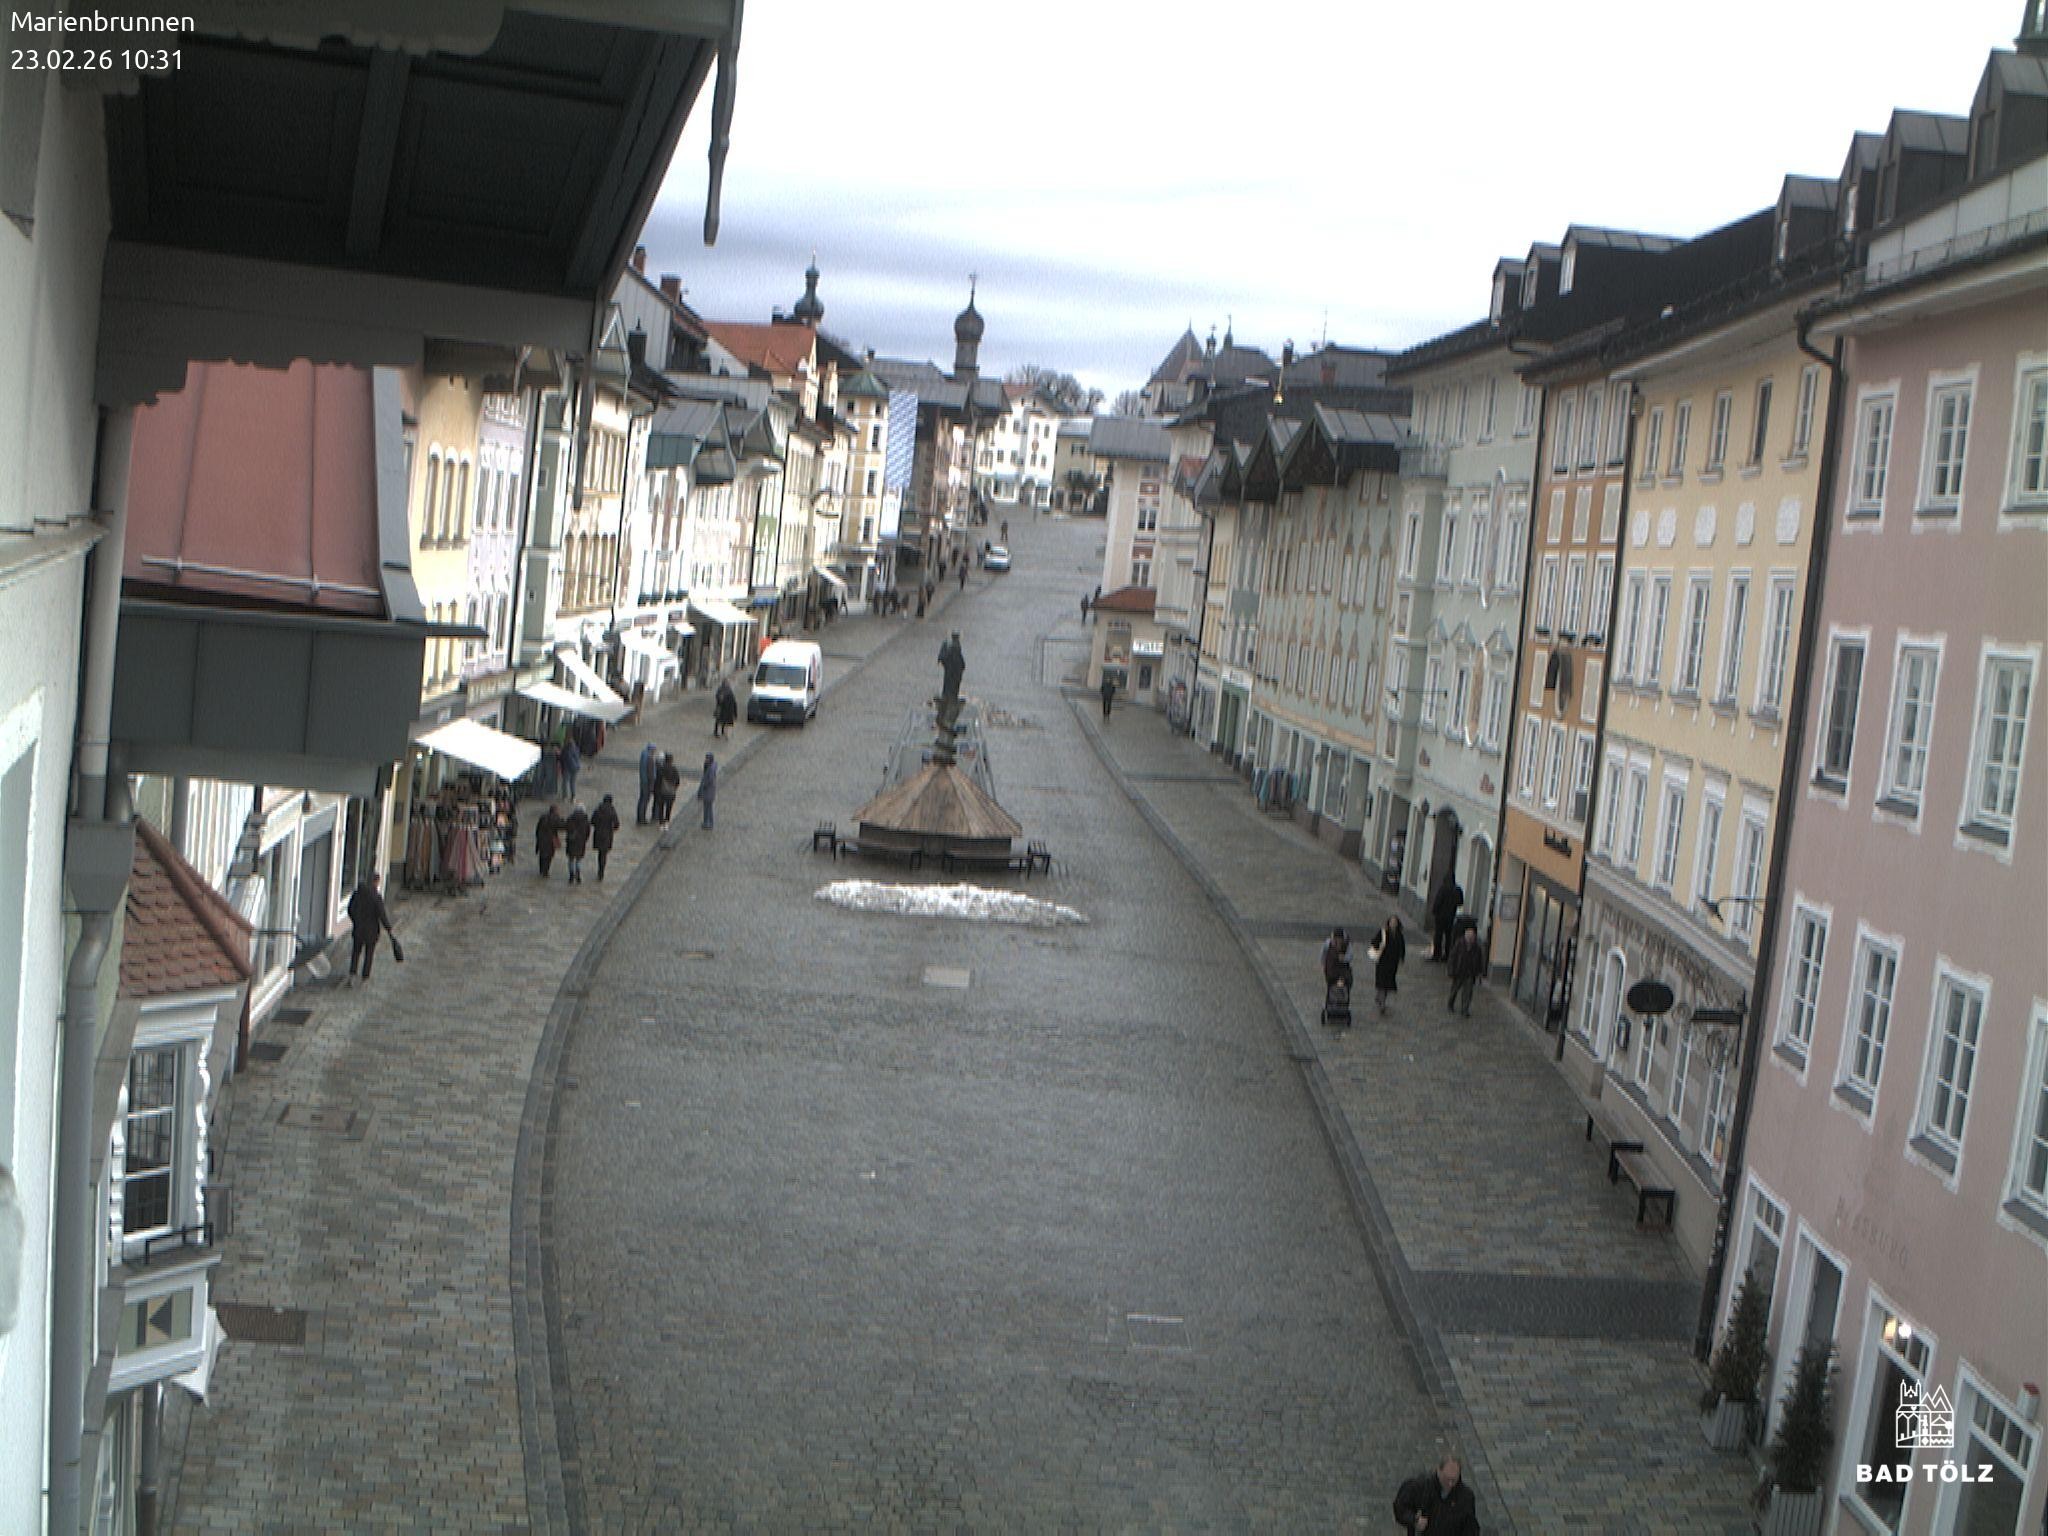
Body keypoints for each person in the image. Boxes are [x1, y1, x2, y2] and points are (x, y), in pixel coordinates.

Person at [1392, 1455, 1480, 1536]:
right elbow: (1400, 1508)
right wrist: (1414, 1520)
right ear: (1438, 1470)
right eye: (1447, 1478)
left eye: (1454, 1480)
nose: (1450, 1484)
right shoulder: (1419, 1486)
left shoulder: (1466, 1496)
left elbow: (1470, 1526)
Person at [344, 873, 395, 984]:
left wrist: (355, 920)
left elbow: (350, 909)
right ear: (376, 882)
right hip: (371, 931)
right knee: (369, 953)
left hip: (358, 929)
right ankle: (365, 976)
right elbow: (382, 915)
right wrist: (388, 928)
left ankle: (352, 975)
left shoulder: (357, 893)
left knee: (356, 952)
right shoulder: (376, 897)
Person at [1372, 915, 1407, 1015]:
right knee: (1382, 981)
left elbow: (1402, 947)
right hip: (1382, 961)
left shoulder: (1399, 935)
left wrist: (1401, 958)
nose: (1393, 924)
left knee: (1388, 982)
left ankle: (1381, 997)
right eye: (1392, 922)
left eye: (1395, 922)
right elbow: (1374, 942)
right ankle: (1382, 1002)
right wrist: (1379, 947)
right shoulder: (1383, 933)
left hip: (1392, 963)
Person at [1448, 924, 1485, 1016]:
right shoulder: (1459, 944)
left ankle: (1465, 1010)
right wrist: (1451, 970)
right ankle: (1450, 1004)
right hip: (1459, 971)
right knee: (1454, 990)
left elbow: (1479, 961)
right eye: (1469, 937)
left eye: (1472, 937)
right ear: (1465, 936)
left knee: (1468, 993)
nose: (1471, 939)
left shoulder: (1477, 948)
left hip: (1470, 973)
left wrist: (1480, 973)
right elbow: (1452, 957)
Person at [1429, 876, 1464, 962]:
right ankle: (1447, 955)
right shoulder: (1457, 889)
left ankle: (1437, 954)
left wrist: (1434, 911)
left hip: (1440, 916)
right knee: (1449, 937)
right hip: (1451, 917)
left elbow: (1438, 901)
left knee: (1438, 936)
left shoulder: (1443, 889)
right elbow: (1460, 902)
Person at [590, 793, 620, 880]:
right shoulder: (612, 811)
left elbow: (592, 821)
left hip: (598, 833)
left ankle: (600, 869)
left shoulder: (598, 809)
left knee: (600, 853)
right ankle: (601, 870)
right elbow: (616, 824)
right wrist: (612, 829)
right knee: (604, 853)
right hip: (607, 835)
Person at [535, 803, 565, 878]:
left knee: (542, 855)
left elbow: (538, 828)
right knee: (549, 856)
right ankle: (546, 871)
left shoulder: (543, 817)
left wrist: (538, 837)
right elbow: (561, 826)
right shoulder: (555, 818)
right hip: (550, 840)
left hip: (541, 839)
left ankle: (542, 869)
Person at [564, 802, 591, 884]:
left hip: (571, 841)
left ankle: (571, 875)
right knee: (578, 859)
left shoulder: (570, 818)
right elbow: (588, 832)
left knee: (571, 859)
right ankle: (578, 873)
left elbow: (567, 828)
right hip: (580, 842)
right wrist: (585, 839)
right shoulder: (586, 820)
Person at [1320, 927, 1354, 993]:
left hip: (1342, 969)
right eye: (1335, 939)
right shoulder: (1328, 943)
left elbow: (1350, 956)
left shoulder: (1347, 944)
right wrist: (1323, 964)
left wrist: (1344, 958)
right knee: (1331, 985)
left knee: (1342, 984)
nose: (1337, 941)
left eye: (1339, 939)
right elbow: (1323, 954)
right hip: (1331, 967)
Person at [636, 740, 658, 825]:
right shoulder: (650, 759)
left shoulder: (644, 755)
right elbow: (651, 774)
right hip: (647, 783)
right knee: (645, 800)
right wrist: (652, 786)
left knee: (641, 799)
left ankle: (639, 816)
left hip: (643, 781)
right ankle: (642, 818)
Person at [656, 752, 682, 823]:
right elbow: (678, 781)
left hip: (662, 792)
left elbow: (658, 781)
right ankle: (667, 821)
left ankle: (661, 822)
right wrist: (674, 788)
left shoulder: (661, 769)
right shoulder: (674, 769)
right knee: (669, 808)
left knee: (661, 807)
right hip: (671, 792)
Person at [696, 752, 718, 829]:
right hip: (710, 792)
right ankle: (708, 822)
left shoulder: (710, 770)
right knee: (708, 808)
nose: (706, 760)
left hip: (708, 792)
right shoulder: (711, 767)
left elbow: (708, 780)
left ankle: (707, 823)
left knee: (707, 808)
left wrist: (704, 786)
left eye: (707, 759)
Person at [558, 735, 581, 802]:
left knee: (565, 782)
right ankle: (573, 797)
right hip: (575, 767)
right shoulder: (576, 748)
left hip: (567, 768)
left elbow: (562, 758)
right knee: (572, 782)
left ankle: (565, 796)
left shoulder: (565, 749)